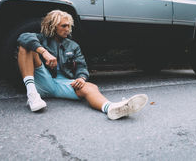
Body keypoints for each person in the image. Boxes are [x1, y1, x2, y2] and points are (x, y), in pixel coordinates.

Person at [17, 10, 148, 120]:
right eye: (63, 26)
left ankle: (111, 108)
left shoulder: (73, 46)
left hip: (62, 84)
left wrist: (81, 78)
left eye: (69, 26)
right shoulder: (41, 39)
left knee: (90, 87)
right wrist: (44, 52)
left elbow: (82, 67)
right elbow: (23, 37)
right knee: (25, 47)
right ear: (53, 26)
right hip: (42, 80)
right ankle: (33, 95)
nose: (67, 29)